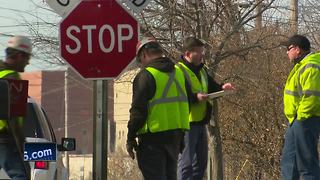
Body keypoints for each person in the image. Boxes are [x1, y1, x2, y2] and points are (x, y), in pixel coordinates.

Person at [126, 37, 190, 180]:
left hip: (152, 141)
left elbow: (138, 112)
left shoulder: (146, 76)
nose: (141, 64)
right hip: (175, 138)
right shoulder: (179, 73)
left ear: (143, 55)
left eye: (139, 61)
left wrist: (130, 137)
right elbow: (187, 103)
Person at [177, 37, 235, 180]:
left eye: (202, 51)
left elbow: (211, 86)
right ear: (187, 54)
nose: (202, 54)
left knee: (201, 164)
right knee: (186, 165)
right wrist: (195, 98)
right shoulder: (178, 71)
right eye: (198, 51)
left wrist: (222, 87)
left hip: (201, 122)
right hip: (186, 124)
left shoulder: (202, 71)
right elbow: (178, 95)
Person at [280, 34, 320, 180]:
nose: (287, 52)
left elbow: (312, 98)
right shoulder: (300, 66)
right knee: (289, 164)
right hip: (295, 121)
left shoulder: (311, 66)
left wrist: (300, 118)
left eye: (288, 48)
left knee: (307, 166)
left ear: (297, 49)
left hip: (305, 120)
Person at [0, 35, 32, 180]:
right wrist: (21, 143)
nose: (28, 62)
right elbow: (12, 116)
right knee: (20, 175)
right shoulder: (12, 79)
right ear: (19, 55)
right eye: (26, 58)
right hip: (5, 138)